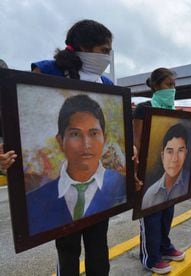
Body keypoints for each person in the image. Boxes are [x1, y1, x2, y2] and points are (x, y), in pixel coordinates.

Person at [29, 19, 116, 276]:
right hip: (63, 184)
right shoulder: (47, 72)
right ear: (83, 46)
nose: (108, 57)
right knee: (67, 249)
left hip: (96, 188)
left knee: (98, 245)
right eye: (103, 50)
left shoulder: (107, 86)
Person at [26, 94, 126, 236]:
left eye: (93, 133)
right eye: (75, 134)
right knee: (67, 251)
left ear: (105, 138)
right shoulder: (35, 201)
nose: (86, 145)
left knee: (98, 248)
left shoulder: (121, 185)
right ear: (60, 141)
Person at [133, 67, 191, 274]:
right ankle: (150, 257)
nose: (172, 89)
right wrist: (136, 172)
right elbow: (137, 142)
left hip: (170, 176)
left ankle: (164, 246)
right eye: (168, 84)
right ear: (155, 86)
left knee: (167, 212)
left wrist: (190, 164)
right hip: (148, 175)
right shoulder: (143, 109)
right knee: (150, 216)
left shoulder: (174, 112)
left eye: (174, 85)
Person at [141, 123, 190, 209]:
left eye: (180, 151)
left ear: (186, 153)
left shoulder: (188, 182)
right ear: (162, 156)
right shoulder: (150, 194)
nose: (175, 159)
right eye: (170, 151)